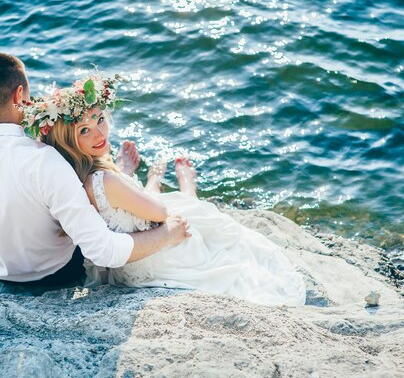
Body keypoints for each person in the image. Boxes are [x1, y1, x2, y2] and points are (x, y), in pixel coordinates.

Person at [23, 74, 307, 306]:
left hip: (125, 259)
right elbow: (159, 214)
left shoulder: (75, 178)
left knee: (165, 205)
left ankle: (147, 181)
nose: (99, 132)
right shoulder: (103, 181)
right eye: (84, 130)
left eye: (100, 119)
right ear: (69, 141)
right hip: (152, 260)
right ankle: (180, 185)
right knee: (199, 220)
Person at [0, 53, 191, 291]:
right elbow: (103, 251)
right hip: (55, 275)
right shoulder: (44, 160)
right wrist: (167, 235)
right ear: (20, 94)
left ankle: (119, 175)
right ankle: (122, 178)